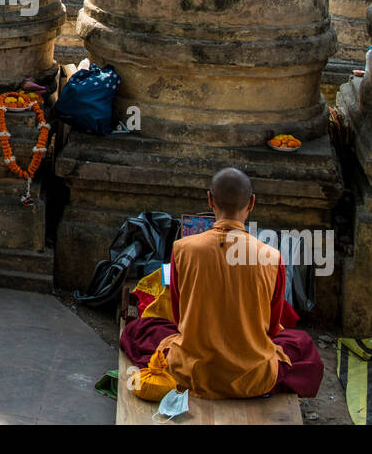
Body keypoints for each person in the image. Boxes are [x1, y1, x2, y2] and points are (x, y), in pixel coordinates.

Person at [129, 167, 324, 402]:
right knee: (301, 344)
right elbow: (272, 329)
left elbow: (180, 319)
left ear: (210, 199)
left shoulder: (183, 248)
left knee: (139, 330)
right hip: (252, 374)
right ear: (252, 203)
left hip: (193, 370)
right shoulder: (272, 257)